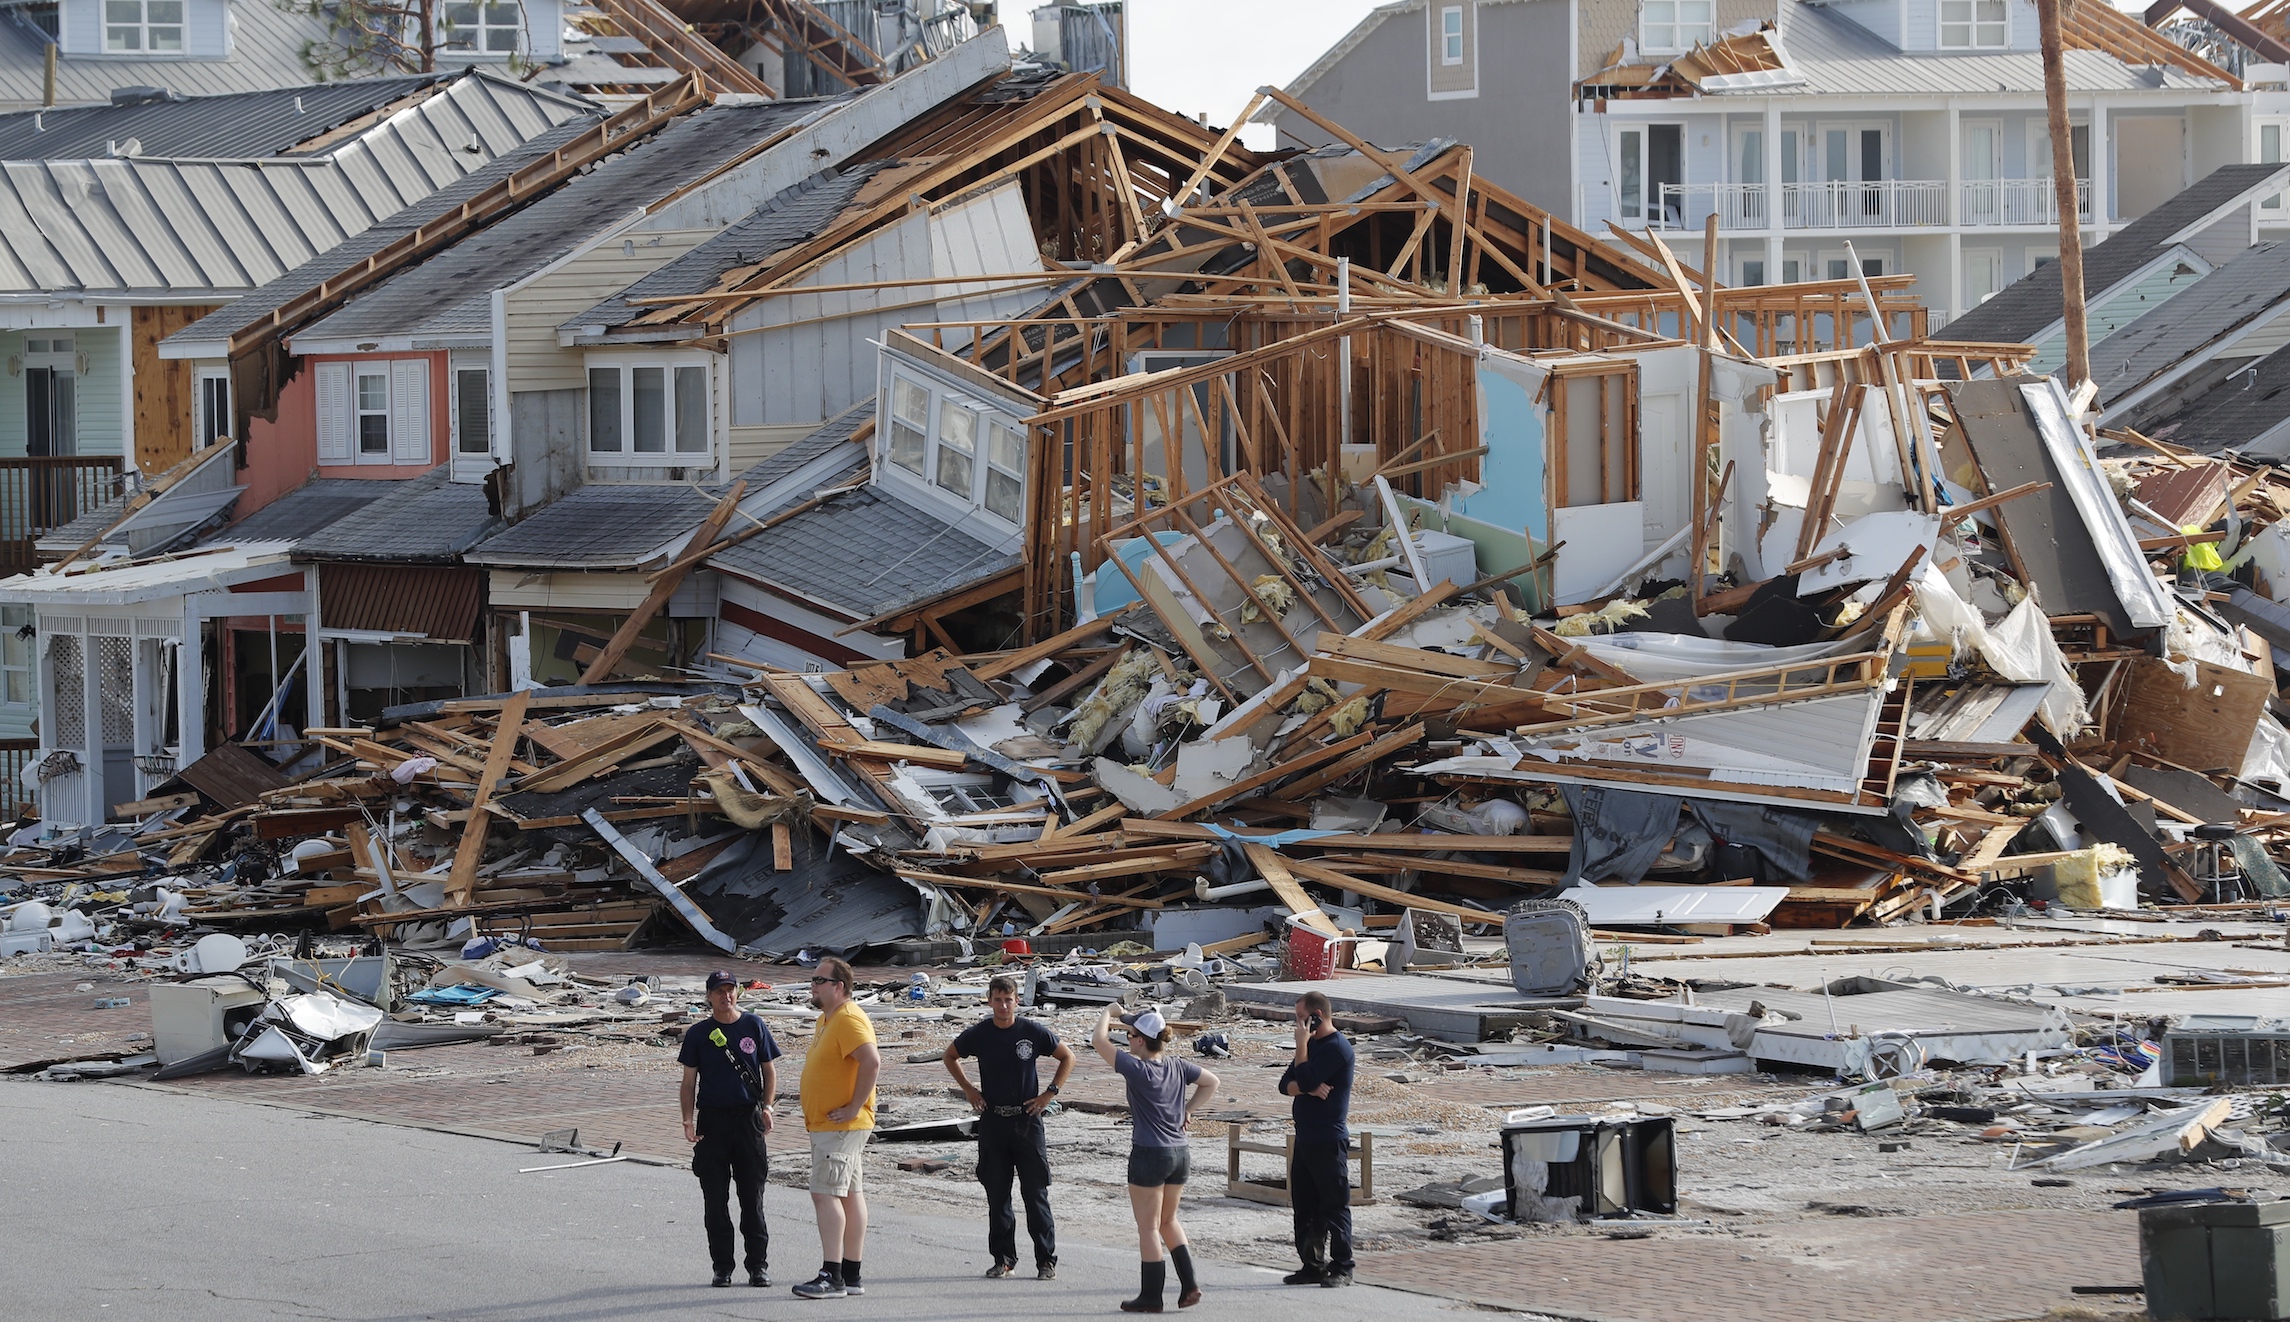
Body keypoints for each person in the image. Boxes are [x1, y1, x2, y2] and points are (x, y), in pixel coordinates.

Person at [944, 974, 1076, 1281]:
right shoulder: (979, 1033)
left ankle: (1046, 1260)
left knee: (1035, 1194)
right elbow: (950, 1056)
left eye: (1009, 999)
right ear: (989, 1001)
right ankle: (1003, 1259)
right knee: (997, 1194)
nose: (1004, 1006)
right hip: (993, 1122)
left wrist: (1049, 1093)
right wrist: (969, 1089)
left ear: (1017, 1000)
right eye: (998, 1000)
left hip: (1027, 1121)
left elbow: (1067, 1056)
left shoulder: (1031, 1031)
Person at [1093, 1003, 1218, 1313]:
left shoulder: (1138, 1069)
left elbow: (1098, 1041)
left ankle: (1151, 1296)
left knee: (1148, 1227)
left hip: (1150, 1152)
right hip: (1179, 1152)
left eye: (1130, 1035)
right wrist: (1187, 1110)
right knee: (1168, 1221)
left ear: (1138, 1041)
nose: (1127, 1039)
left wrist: (1108, 1014)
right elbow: (1211, 1081)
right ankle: (1189, 1284)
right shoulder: (1177, 1065)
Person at [677, 970, 781, 1288]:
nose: (726, 996)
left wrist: (767, 1106)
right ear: (709, 996)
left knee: (752, 1198)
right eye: (719, 991)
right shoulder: (698, 1034)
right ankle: (722, 1266)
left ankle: (757, 1266)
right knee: (715, 1199)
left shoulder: (753, 1025)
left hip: (747, 1120)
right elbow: (688, 1081)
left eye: (730, 990)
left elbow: (769, 1070)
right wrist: (687, 1120)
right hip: (713, 1121)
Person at [793, 955, 880, 1301]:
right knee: (848, 1194)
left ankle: (832, 1275)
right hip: (833, 1125)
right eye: (813, 980)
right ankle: (852, 1272)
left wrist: (854, 1107)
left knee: (825, 1193)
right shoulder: (827, 1019)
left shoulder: (848, 1019)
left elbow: (871, 1062)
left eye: (819, 980)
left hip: (840, 1126)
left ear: (838, 987)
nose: (812, 985)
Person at [1277, 990, 1357, 1288]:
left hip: (1328, 1138)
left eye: (1301, 1018)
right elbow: (1285, 1085)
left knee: (1333, 1205)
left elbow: (1306, 1077)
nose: (1297, 1024)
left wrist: (1301, 1054)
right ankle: (1312, 1264)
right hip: (1305, 1138)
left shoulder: (1336, 1048)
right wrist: (1307, 1086)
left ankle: (1343, 1266)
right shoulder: (1308, 1045)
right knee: (1305, 1205)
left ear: (1316, 1016)